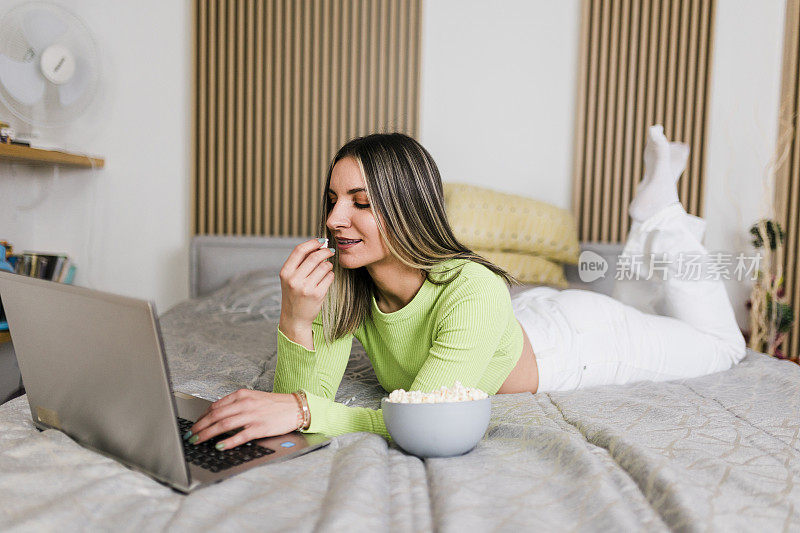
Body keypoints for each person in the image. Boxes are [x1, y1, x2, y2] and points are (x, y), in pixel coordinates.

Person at [185, 127, 745, 449]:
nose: (335, 219)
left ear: (407, 208)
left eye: (360, 203)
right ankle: (650, 235)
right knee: (663, 317)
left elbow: (418, 417)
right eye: (332, 199)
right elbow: (295, 400)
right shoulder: (345, 282)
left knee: (723, 346)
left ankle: (660, 214)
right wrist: (295, 318)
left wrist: (308, 414)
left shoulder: (472, 288)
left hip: (580, 343)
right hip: (520, 321)